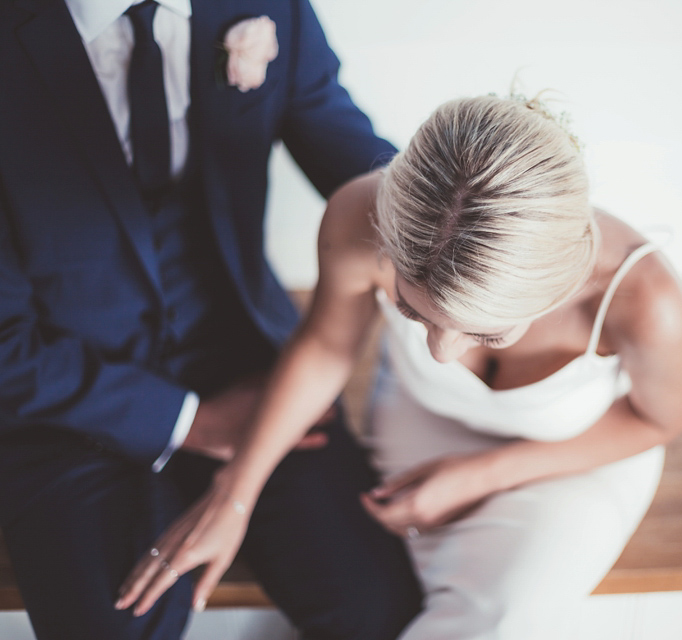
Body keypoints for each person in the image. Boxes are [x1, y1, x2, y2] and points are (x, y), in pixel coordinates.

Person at [118, 94, 682, 639]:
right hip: (418, 418)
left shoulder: (645, 298)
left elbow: (659, 421)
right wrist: (236, 493)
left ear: (560, 287)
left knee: (496, 615)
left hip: (574, 451)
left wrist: (484, 473)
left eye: (484, 331)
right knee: (376, 594)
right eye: (410, 310)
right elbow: (326, 347)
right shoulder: (359, 214)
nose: (440, 352)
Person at [0, 0, 422, 638]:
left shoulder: (268, 6)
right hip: (62, 401)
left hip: (253, 370)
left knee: (375, 609)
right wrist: (188, 419)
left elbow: (350, 156)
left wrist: (452, 228)